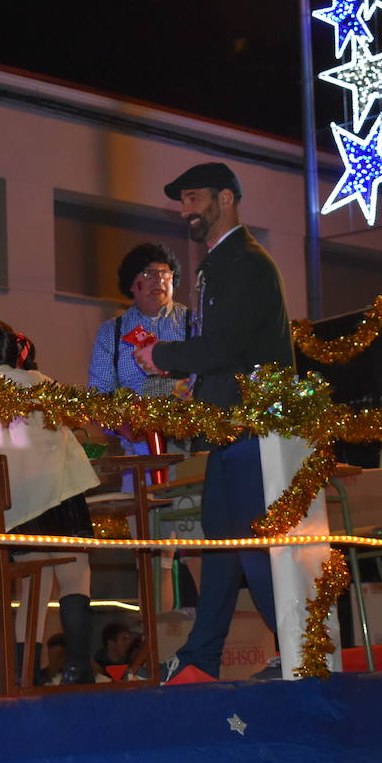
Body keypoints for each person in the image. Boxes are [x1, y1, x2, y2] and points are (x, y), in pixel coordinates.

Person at [133, 162, 295, 681]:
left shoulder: (245, 262)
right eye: (182, 200)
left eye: (194, 198)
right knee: (221, 541)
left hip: (254, 425)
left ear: (226, 198)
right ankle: (201, 657)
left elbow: (229, 346)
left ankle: (298, 653)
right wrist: (191, 383)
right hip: (233, 423)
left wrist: (164, 355)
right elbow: (225, 350)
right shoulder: (220, 265)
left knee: (246, 539)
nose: (186, 210)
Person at [0, 320, 101, 683]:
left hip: (13, 505)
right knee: (75, 577)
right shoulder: (38, 383)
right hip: (57, 492)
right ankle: (79, 669)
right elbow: (77, 417)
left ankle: (25, 677)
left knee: (32, 590)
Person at [87, 242, 190, 455]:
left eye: (165, 273)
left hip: (191, 445)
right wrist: (124, 427)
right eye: (148, 273)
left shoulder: (195, 323)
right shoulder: (111, 333)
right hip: (137, 450)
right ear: (131, 284)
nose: (158, 279)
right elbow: (99, 394)